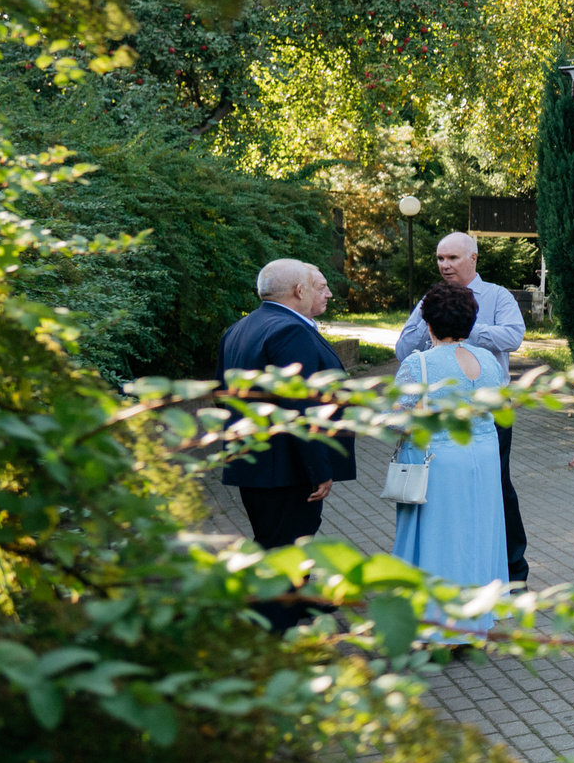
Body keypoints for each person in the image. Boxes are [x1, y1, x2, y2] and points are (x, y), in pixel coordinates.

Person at [218, 258, 355, 631]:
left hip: (254, 462)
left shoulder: (239, 328)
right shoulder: (289, 332)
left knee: (282, 541)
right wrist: (319, 470)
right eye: (318, 286)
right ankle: (275, 634)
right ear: (299, 291)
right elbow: (301, 407)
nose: (323, 292)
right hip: (286, 468)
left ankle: (299, 607)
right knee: (284, 550)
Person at [397, 232, 531, 581]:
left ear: (473, 258)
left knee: (497, 486)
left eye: (452, 258)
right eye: (440, 258)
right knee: (448, 499)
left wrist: (464, 328)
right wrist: (431, 324)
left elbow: (513, 336)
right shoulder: (431, 299)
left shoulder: (497, 296)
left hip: (487, 412)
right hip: (440, 416)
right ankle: (460, 569)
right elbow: (402, 348)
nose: (445, 265)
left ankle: (513, 567)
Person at [389, 281, 510, 631]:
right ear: (470, 322)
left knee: (438, 539)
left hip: (438, 461)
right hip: (484, 457)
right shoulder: (487, 360)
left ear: (428, 323)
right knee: (477, 534)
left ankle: (434, 625)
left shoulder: (419, 364)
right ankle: (474, 620)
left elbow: (399, 422)